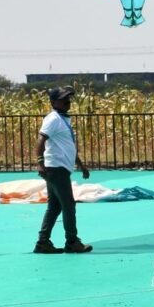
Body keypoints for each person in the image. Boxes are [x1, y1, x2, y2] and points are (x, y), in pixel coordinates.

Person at [34, 86, 93, 254]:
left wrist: (80, 164)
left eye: (69, 98)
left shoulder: (63, 119)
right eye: (63, 99)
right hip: (56, 167)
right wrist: (40, 162)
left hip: (60, 167)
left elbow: (67, 146)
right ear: (53, 102)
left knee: (54, 206)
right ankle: (72, 241)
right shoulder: (53, 119)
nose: (68, 101)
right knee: (68, 205)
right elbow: (41, 141)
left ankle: (43, 242)